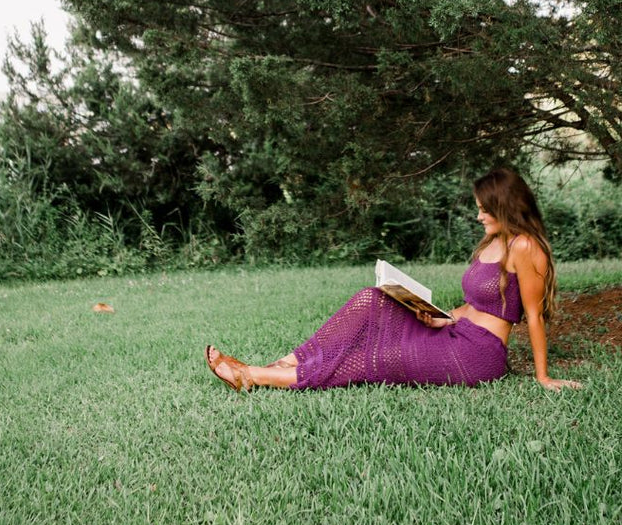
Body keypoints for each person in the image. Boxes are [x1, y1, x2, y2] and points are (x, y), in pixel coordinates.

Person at [205, 167, 583, 392]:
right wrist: (443, 316)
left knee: (376, 359)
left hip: (478, 355)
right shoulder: (495, 240)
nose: (480, 215)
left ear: (505, 206)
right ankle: (285, 363)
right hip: (457, 332)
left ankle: (254, 375)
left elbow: (532, 315)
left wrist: (543, 377)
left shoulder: (526, 246)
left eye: (485, 209)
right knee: (372, 299)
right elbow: (477, 303)